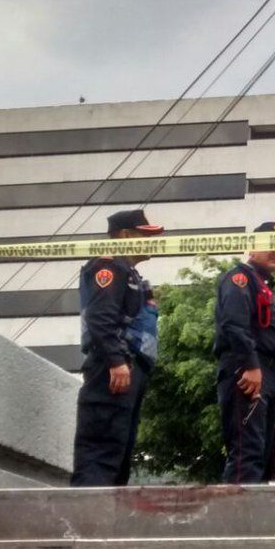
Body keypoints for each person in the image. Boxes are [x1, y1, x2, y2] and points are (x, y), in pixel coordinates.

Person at [70, 208, 164, 486]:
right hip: (112, 371)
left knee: (118, 454)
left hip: (128, 370)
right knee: (101, 453)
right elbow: (101, 317)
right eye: (144, 235)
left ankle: (106, 526)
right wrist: (115, 360)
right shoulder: (109, 267)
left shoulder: (129, 273)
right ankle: (87, 526)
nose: (151, 242)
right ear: (124, 236)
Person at [213, 222, 275, 484]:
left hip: (265, 373)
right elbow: (234, 323)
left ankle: (253, 522)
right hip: (247, 370)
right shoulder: (240, 278)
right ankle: (235, 523)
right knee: (246, 455)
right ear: (252, 247)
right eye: (271, 243)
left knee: (263, 456)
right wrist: (250, 365)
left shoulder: (263, 284)